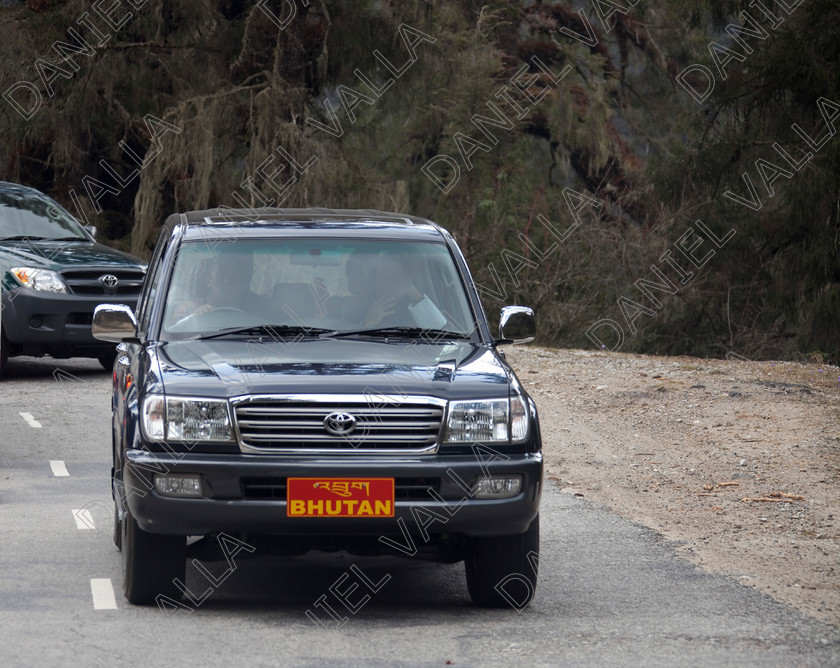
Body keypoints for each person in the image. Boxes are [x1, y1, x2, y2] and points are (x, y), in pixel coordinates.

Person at [343, 251, 446, 330]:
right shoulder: (361, 307)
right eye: (381, 277)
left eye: (393, 277)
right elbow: (349, 346)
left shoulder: (417, 306)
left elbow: (440, 335)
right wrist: (367, 322)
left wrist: (415, 296)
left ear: (406, 279)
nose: (385, 283)